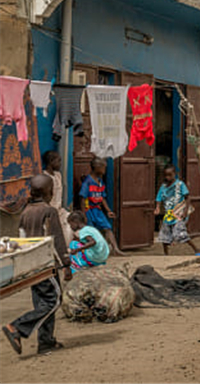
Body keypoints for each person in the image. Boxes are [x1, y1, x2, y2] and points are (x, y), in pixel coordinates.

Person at [3, 174, 71, 355]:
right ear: (49, 192)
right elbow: (56, 240)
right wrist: (66, 264)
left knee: (42, 303)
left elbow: (22, 239)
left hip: (31, 266)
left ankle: (46, 342)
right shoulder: (49, 211)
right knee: (54, 301)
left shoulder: (26, 212)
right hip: (46, 265)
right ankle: (17, 327)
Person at [79, 157, 126, 256]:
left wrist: (108, 210)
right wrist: (84, 214)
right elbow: (83, 198)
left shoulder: (100, 181)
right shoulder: (87, 182)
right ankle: (93, 253)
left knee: (107, 228)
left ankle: (115, 249)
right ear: (97, 167)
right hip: (89, 210)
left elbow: (102, 197)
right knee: (91, 232)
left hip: (98, 210)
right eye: (103, 167)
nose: (105, 169)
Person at [155, 165, 200, 256]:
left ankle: (196, 249)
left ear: (174, 174)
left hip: (178, 213)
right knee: (165, 235)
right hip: (168, 214)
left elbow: (188, 198)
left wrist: (185, 211)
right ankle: (166, 254)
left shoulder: (180, 185)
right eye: (166, 175)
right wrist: (157, 207)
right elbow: (159, 197)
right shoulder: (163, 186)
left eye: (170, 175)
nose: (167, 177)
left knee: (180, 233)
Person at [41, 150, 72, 247]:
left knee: (70, 223)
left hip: (59, 210)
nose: (60, 164)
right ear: (51, 161)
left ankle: (67, 249)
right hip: (49, 211)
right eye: (58, 161)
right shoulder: (44, 176)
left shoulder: (58, 175)